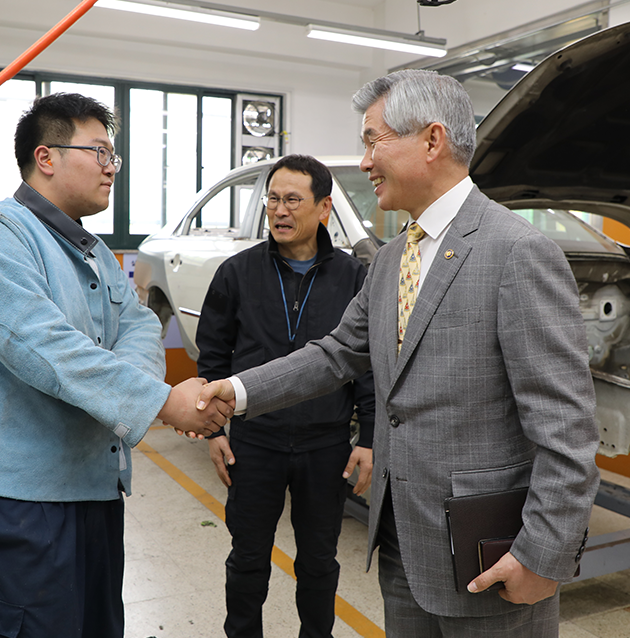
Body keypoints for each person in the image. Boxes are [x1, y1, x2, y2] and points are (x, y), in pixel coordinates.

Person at [194, 70, 600, 637]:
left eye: (373, 140)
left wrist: (543, 553)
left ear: (431, 141)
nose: (364, 162)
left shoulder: (518, 252)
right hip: (403, 546)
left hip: (491, 557)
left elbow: (567, 427)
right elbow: (337, 354)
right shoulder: (389, 261)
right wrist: (236, 392)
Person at [0, 93, 232, 638]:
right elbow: (44, 348)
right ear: (46, 157)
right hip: (16, 502)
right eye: (100, 152)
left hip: (93, 491)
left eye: (114, 156)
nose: (111, 167)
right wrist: (162, 400)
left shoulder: (95, 252)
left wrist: (134, 384)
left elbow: (139, 324)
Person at [196, 154, 376, 638]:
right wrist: (213, 431)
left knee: (319, 562)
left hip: (326, 445)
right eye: (273, 199)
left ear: (323, 209)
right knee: (248, 558)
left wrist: (370, 439)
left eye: (293, 200)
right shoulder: (236, 273)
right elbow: (212, 358)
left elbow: (367, 363)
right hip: (255, 442)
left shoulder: (354, 278)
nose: (279, 210)